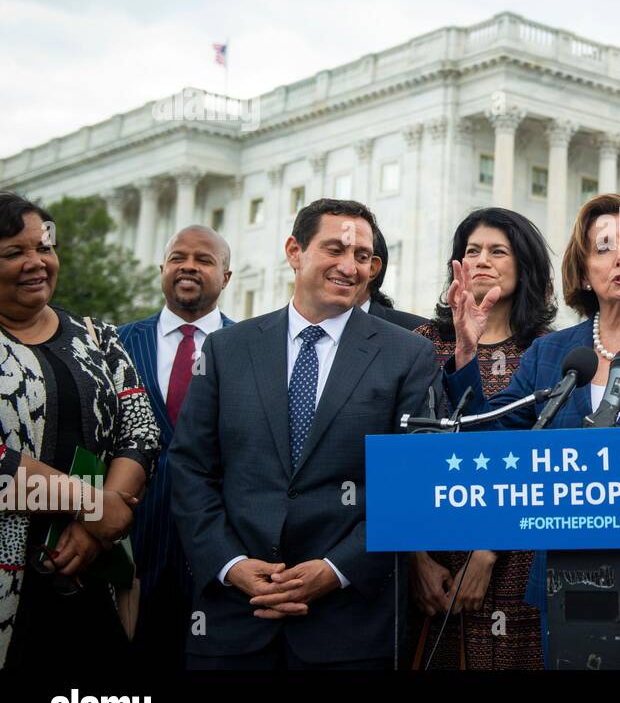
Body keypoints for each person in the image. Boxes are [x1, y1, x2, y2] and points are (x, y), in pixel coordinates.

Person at [446, 193, 620, 669]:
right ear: (581, 272)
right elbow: (487, 439)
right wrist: (468, 354)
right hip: (572, 579)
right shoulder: (551, 355)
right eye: (604, 247)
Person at [169, 198, 436, 669]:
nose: (349, 267)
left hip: (350, 627)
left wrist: (336, 570)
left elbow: (413, 486)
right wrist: (232, 565)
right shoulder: (227, 349)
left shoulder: (408, 355)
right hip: (233, 622)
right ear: (295, 251)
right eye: (335, 249)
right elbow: (190, 467)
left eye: (362, 257)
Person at [0, 192, 160, 668]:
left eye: (44, 248)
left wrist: (96, 533)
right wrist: (93, 506)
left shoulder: (97, 335)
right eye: (14, 253)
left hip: (90, 574)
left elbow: (141, 432)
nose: (36, 263)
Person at [411, 207, 556, 670]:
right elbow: (403, 458)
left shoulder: (548, 352)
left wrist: (489, 550)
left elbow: (545, 466)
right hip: (434, 558)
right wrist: (416, 559)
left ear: (525, 265)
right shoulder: (421, 344)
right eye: (472, 251)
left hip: (519, 556)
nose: (482, 260)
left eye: (498, 251)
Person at [118, 224, 236, 669]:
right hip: (127, 546)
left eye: (204, 259)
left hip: (213, 554)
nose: (189, 266)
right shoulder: (115, 345)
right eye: (178, 257)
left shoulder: (251, 350)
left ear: (226, 277)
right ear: (162, 269)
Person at [355, 226, 426, 331]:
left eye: (361, 257)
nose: (344, 267)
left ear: (373, 268)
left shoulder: (419, 332)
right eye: (334, 251)